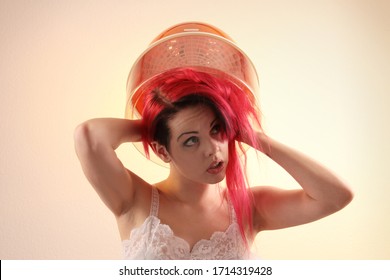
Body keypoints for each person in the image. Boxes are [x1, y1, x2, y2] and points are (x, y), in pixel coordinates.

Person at [74, 24, 353, 260]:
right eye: (191, 141)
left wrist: (256, 138)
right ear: (163, 151)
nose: (213, 149)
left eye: (217, 129)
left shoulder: (250, 207)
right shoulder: (134, 199)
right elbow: (89, 137)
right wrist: (157, 124)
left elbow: (335, 197)